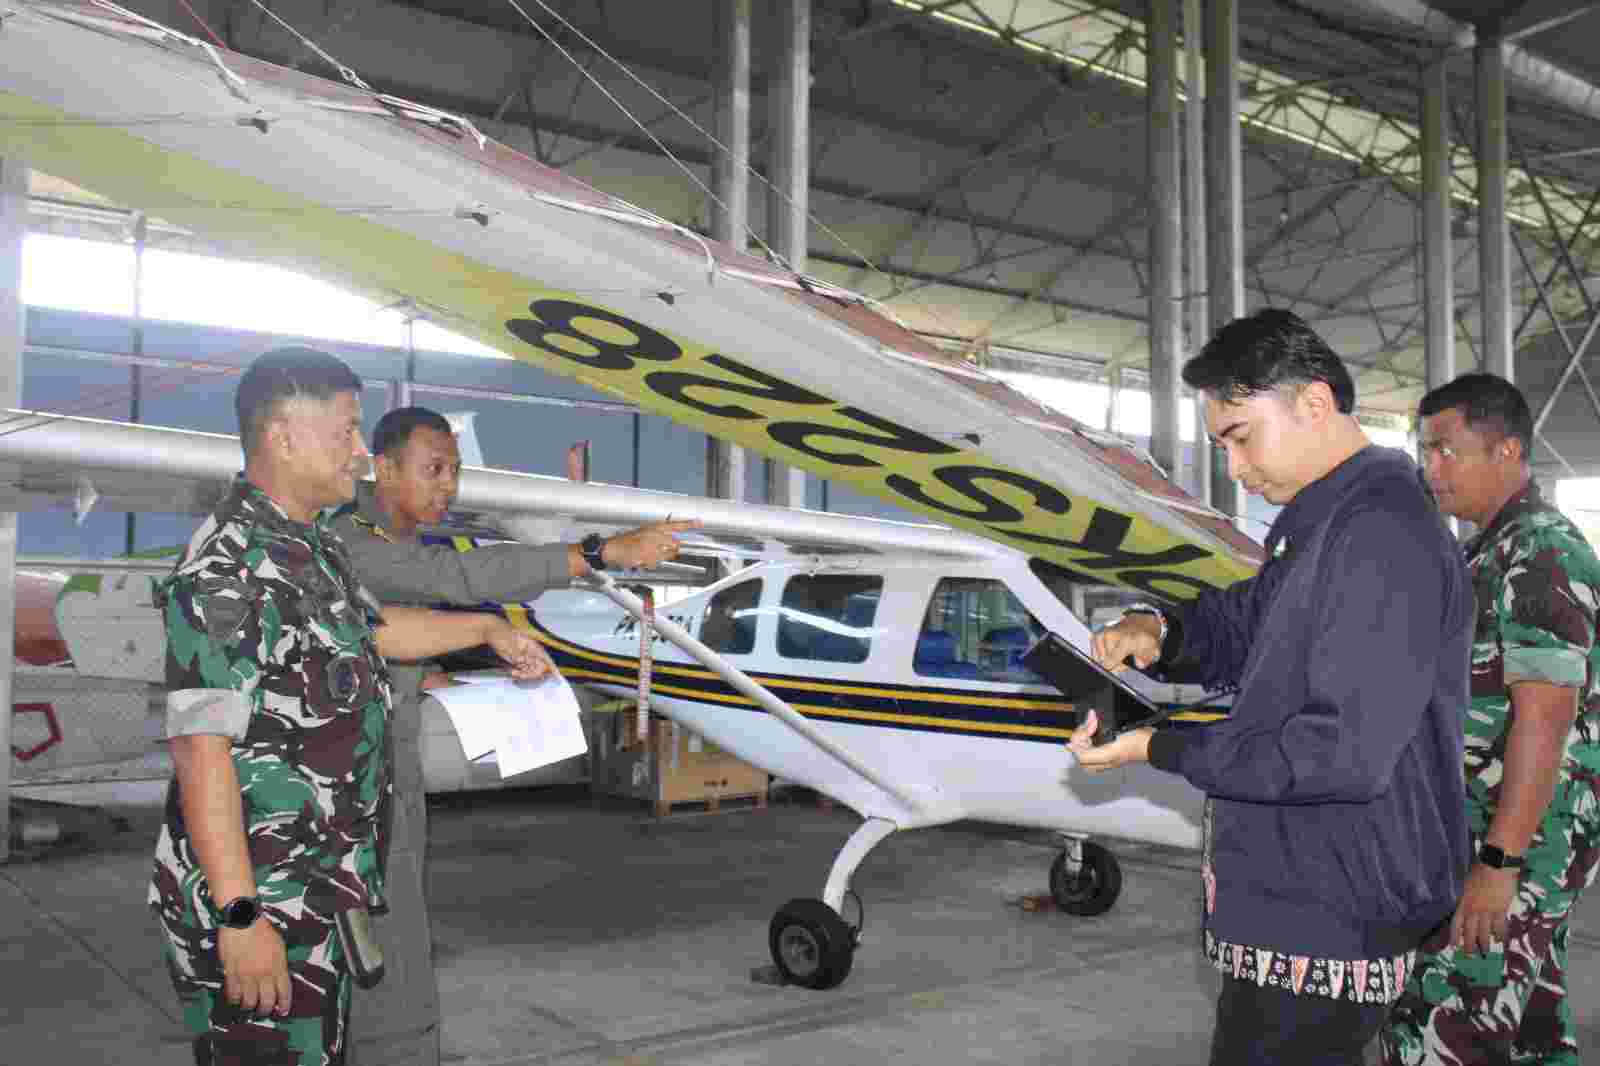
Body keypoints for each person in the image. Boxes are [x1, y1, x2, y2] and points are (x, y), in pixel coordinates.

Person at [1069, 309, 1474, 1066]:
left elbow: (1339, 753)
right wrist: (1163, 632)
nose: (1233, 467)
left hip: (1333, 896)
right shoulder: (1324, 524)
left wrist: (1165, 746)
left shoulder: (1379, 532)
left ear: (1314, 404)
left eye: (1241, 436)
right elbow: (1249, 623)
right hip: (1306, 889)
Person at [149, 348, 555, 1066]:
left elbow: (378, 631)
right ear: (282, 437)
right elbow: (200, 749)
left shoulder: (314, 548)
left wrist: (492, 630)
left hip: (316, 891)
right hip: (262, 896)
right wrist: (239, 916)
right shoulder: (225, 568)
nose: (360, 452)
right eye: (345, 432)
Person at [327, 405, 696, 1066]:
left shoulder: (391, 537)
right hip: (352, 787)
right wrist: (601, 553)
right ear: (382, 468)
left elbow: (378, 627)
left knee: (396, 923)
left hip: (389, 765)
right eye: (434, 469)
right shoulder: (350, 530)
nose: (449, 486)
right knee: (382, 934)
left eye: (456, 472)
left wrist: (421, 674)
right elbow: (454, 581)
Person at [1382, 373, 1600, 1066]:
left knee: (1436, 1027)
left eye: (1445, 450)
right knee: (1528, 1025)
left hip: (1521, 835)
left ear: (1506, 452)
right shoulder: (1486, 549)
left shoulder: (1541, 551)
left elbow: (1547, 714)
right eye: (1424, 451)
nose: (1430, 467)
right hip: (1505, 828)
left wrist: (1498, 862)